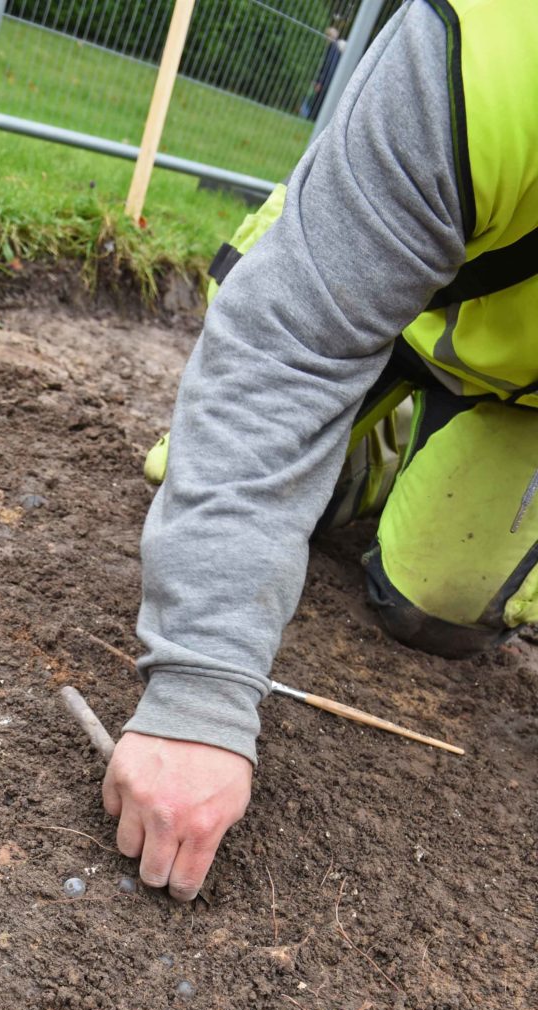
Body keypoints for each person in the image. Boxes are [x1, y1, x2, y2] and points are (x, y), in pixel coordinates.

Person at [103, 0, 538, 902]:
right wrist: (200, 695)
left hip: (518, 393)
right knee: (194, 467)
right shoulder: (495, 58)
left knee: (441, 611)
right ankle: (353, 454)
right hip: (359, 297)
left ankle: (389, 467)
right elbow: (292, 347)